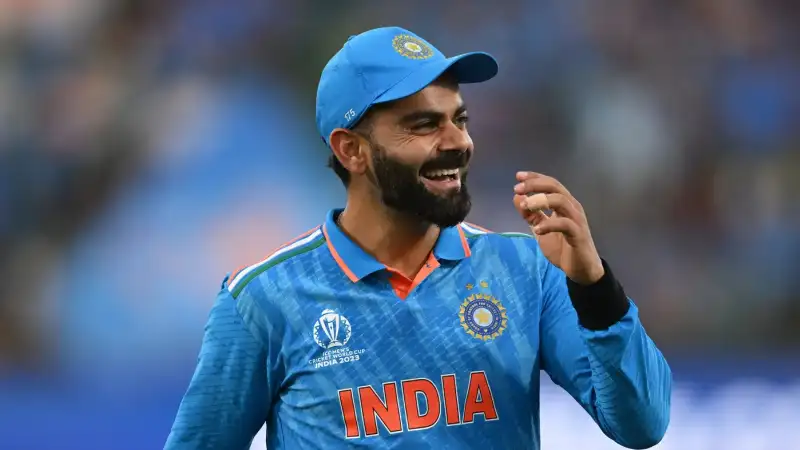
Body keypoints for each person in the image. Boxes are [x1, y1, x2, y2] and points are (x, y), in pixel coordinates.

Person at [164, 26, 671, 450]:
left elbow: (642, 425)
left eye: (460, 119)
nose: (458, 142)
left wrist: (594, 286)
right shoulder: (263, 299)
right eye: (425, 125)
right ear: (351, 150)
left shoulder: (524, 270)